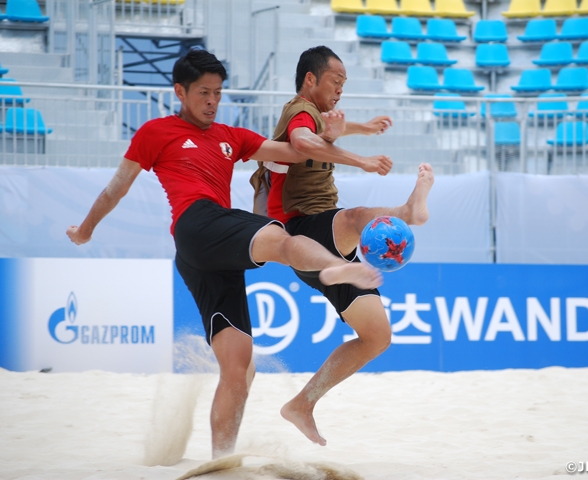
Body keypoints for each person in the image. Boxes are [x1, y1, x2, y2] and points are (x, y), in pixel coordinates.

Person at [66, 49, 392, 459]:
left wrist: (333, 135)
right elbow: (117, 187)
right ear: (179, 91)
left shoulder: (231, 137)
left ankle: (221, 461)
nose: (212, 102)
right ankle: (336, 268)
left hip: (202, 257)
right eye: (203, 93)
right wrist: (86, 228)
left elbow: (295, 153)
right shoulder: (155, 132)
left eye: (218, 93)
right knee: (282, 239)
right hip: (196, 221)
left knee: (239, 369)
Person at [251, 46, 435, 447]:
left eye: (345, 85)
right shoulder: (297, 109)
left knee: (377, 337)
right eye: (336, 82)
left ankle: (302, 404)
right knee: (356, 217)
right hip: (300, 228)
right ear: (311, 79)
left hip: (326, 244)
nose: (340, 91)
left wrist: (363, 128)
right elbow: (304, 139)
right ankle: (408, 211)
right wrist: (363, 159)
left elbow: (327, 128)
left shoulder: (317, 115)